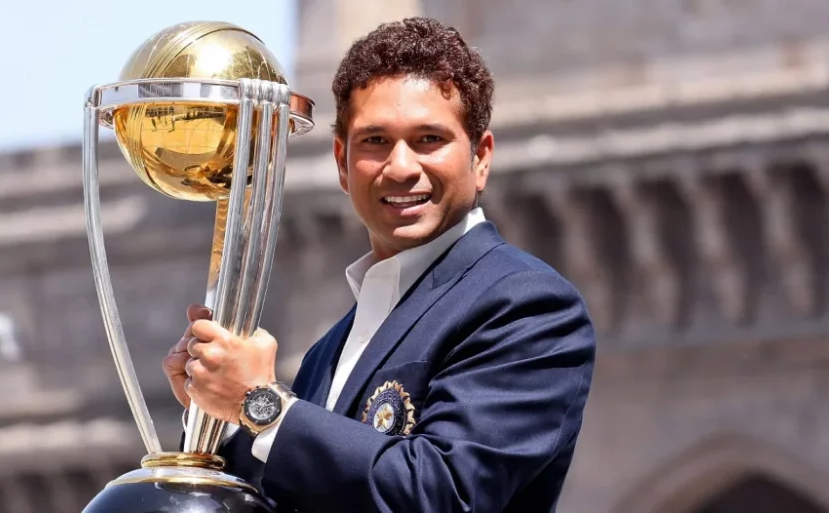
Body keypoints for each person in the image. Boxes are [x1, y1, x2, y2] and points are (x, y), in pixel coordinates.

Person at [163, 16, 596, 513]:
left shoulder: (527, 305)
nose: (401, 166)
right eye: (375, 141)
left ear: (480, 158)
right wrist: (218, 414)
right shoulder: (330, 349)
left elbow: (445, 494)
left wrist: (258, 402)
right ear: (342, 163)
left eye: (429, 139)